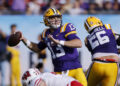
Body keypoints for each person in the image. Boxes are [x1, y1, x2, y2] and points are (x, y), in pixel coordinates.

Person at [21, 8, 87, 86]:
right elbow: (37, 48)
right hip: (58, 72)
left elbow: (78, 43)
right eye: (52, 18)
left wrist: (59, 42)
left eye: (57, 17)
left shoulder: (65, 28)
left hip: (75, 68)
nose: (56, 20)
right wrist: (24, 39)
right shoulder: (45, 33)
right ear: (46, 20)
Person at [84, 16, 120, 86]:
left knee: (82, 84)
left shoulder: (87, 39)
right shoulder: (107, 27)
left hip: (97, 64)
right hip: (113, 65)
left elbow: (97, 50)